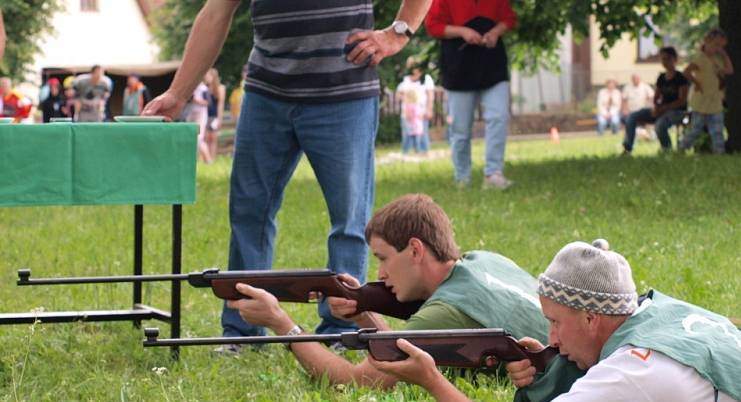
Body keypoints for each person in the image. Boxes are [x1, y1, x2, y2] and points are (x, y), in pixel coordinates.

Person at [143, 0, 431, 345]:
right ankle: (243, 331)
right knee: (249, 214)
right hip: (266, 94)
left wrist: (398, 32)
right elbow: (216, 11)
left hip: (344, 94)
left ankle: (341, 332)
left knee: (349, 222)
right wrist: (178, 93)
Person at [371, 239, 741, 402]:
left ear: (592, 317)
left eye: (555, 323)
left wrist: (432, 380)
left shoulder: (632, 374)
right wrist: (549, 371)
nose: (550, 338)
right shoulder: (658, 311)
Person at [226, 194, 571, 391]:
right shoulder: (485, 260)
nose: (380, 274)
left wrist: (281, 323)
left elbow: (358, 382)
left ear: (416, 250)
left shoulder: (442, 315)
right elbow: (408, 343)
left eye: (384, 258)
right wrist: (364, 313)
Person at [425, 0, 516, 190]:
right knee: (460, 129)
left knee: (499, 117)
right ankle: (462, 178)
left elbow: (509, 18)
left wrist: (496, 32)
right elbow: (433, 26)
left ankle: (493, 174)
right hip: (459, 66)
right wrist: (462, 31)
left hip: (493, 64)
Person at [622, 47, 690, 154]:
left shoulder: (681, 78)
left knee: (660, 125)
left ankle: (667, 150)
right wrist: (656, 107)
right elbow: (656, 97)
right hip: (661, 110)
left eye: (668, 58)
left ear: (674, 59)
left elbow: (682, 100)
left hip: (678, 112)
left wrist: (664, 108)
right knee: (632, 117)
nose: (665, 62)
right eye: (662, 59)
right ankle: (627, 148)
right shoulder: (661, 77)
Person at [678, 29, 734, 154]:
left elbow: (729, 71)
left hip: (715, 101)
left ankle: (719, 152)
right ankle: (682, 148)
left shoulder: (717, 59)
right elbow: (686, 71)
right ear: (706, 42)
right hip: (701, 101)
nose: (717, 49)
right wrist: (696, 83)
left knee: (717, 130)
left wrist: (725, 55)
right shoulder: (700, 58)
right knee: (695, 129)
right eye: (715, 45)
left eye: (721, 46)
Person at [397, 57, 435, 154]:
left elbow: (430, 96)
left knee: (422, 133)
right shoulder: (405, 80)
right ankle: (406, 152)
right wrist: (406, 98)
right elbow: (399, 94)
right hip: (407, 114)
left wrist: (429, 109)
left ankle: (423, 151)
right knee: (407, 133)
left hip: (421, 114)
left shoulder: (426, 79)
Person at [185, 80, 211, 163]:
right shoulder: (190, 88)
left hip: (201, 114)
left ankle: (208, 160)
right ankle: (194, 160)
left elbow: (207, 102)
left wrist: (195, 100)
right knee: (189, 137)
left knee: (199, 138)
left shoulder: (203, 89)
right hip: (190, 114)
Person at [621, 73, 655, 139]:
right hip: (631, 111)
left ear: (640, 79)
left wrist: (649, 105)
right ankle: (628, 139)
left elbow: (651, 97)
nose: (635, 80)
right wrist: (625, 110)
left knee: (649, 123)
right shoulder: (627, 87)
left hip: (643, 110)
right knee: (628, 121)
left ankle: (652, 137)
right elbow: (624, 100)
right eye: (634, 79)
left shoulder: (645, 86)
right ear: (631, 80)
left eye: (637, 79)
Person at [204, 68, 226, 161]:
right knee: (206, 138)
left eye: (208, 75)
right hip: (206, 116)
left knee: (213, 138)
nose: (206, 77)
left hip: (214, 116)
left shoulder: (220, 88)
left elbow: (220, 104)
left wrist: (219, 118)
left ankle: (212, 158)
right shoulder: (205, 88)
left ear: (213, 76)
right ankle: (206, 158)